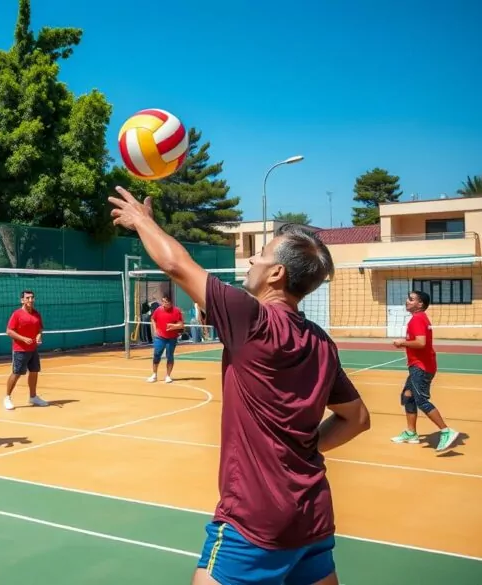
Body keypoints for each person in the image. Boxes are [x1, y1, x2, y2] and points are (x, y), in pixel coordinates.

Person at [108, 186, 371, 585]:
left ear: (277, 274)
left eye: (261, 254)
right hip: (312, 513)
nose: (251, 259)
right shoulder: (321, 341)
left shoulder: (252, 320)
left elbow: (177, 265)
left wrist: (142, 221)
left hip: (255, 518)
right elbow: (357, 419)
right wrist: (303, 449)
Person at [391, 290, 461, 452]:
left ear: (420, 304)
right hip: (419, 365)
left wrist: (403, 342)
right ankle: (411, 433)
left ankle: (446, 430)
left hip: (421, 367)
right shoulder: (418, 318)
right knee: (408, 396)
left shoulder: (417, 319)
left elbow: (421, 342)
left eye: (411, 299)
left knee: (421, 400)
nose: (407, 301)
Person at [3, 290, 49, 410]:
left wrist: (39, 336)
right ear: (22, 300)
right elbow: (9, 331)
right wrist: (23, 339)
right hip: (20, 350)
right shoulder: (17, 314)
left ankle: (33, 397)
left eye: (32, 298)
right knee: (17, 373)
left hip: (33, 349)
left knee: (34, 372)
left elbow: (40, 329)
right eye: (28, 298)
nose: (31, 300)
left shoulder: (36, 313)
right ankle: (7, 397)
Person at [146, 294, 185, 383]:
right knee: (156, 355)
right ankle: (154, 375)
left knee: (169, 356)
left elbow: (181, 325)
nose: (164, 304)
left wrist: (173, 326)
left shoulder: (176, 311)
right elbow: (153, 319)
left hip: (172, 338)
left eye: (166, 302)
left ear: (171, 303)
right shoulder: (158, 310)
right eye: (163, 302)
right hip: (160, 337)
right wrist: (155, 330)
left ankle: (168, 376)